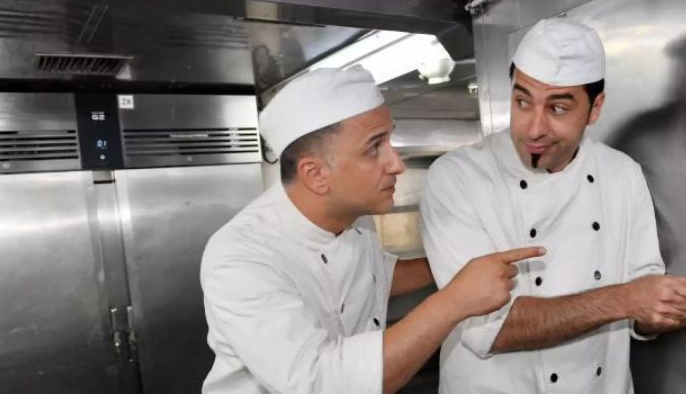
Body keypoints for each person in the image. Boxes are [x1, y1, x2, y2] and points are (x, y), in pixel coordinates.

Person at [420, 18, 686, 393]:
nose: (534, 128)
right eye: (523, 102)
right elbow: (492, 326)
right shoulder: (456, 179)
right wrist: (625, 298)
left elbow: (645, 307)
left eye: (557, 108)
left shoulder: (621, 173)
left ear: (595, 108)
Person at [200, 67, 545, 394]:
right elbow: (318, 383)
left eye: (390, 141)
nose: (397, 164)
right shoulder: (240, 257)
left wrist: (459, 260)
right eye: (374, 147)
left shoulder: (353, 218)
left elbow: (375, 275)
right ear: (316, 174)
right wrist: (454, 301)